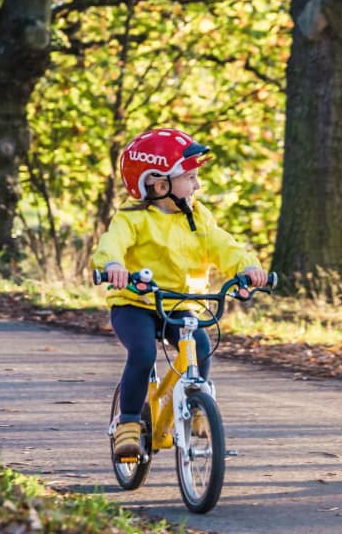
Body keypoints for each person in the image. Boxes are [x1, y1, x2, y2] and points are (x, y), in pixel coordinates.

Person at [92, 128, 267, 457]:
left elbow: (223, 246)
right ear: (159, 185)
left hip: (182, 303)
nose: (197, 185)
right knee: (143, 354)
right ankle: (128, 423)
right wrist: (113, 264)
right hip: (135, 303)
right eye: (190, 177)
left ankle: (197, 406)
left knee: (200, 347)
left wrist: (247, 268)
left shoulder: (198, 217)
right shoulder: (133, 218)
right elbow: (111, 244)